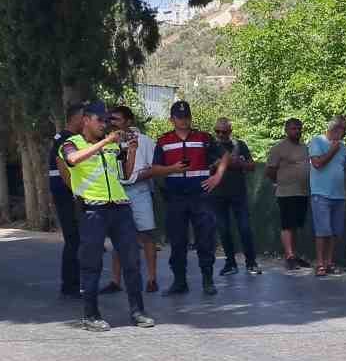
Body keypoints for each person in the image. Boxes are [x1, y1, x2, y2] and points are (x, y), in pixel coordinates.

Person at [61, 102, 151, 331]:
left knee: (132, 260)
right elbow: (72, 160)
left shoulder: (112, 147)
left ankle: (138, 311)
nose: (104, 124)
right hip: (93, 209)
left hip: (120, 207)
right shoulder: (71, 143)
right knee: (92, 263)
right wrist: (105, 142)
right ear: (86, 121)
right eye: (100, 120)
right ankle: (91, 315)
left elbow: (127, 174)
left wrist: (130, 151)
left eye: (106, 120)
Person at [153, 100, 230, 296]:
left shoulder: (204, 138)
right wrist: (172, 169)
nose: (184, 121)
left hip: (201, 197)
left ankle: (207, 280)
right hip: (175, 198)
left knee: (205, 239)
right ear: (172, 120)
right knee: (178, 241)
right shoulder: (163, 141)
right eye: (179, 118)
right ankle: (179, 282)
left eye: (186, 117)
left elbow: (225, 155)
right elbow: (154, 169)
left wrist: (217, 177)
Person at [101, 105, 161, 293]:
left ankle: (152, 279)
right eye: (110, 119)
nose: (112, 122)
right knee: (119, 237)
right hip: (116, 191)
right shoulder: (107, 142)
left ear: (128, 121)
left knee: (147, 235)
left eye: (116, 119)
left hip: (139, 190)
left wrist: (141, 175)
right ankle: (115, 281)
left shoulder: (144, 141)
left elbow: (155, 167)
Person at [210, 117, 261, 277]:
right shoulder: (211, 147)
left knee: (245, 228)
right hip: (218, 194)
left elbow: (252, 165)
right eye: (217, 131)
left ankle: (251, 262)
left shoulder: (240, 145)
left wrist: (240, 164)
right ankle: (230, 263)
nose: (220, 134)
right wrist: (232, 162)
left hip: (238, 193)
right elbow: (211, 165)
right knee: (224, 230)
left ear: (230, 131)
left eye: (223, 131)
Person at [265, 117, 311, 270]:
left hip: (302, 192)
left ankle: (295, 255)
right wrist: (279, 182)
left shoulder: (305, 148)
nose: (297, 131)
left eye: (299, 128)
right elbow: (270, 170)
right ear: (286, 130)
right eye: (293, 128)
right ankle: (289, 256)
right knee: (287, 225)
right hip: (286, 192)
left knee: (297, 225)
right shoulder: (278, 148)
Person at [307, 116, 346, 276]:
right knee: (322, 230)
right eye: (340, 128)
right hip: (321, 194)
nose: (342, 132)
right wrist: (332, 150)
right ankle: (320, 263)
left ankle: (329, 262)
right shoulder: (317, 142)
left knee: (334, 231)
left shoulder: (344, 148)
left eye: (344, 129)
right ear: (332, 128)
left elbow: (343, 171)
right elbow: (317, 164)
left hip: (339, 195)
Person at [49, 103, 85, 298]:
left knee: (75, 240)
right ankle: (70, 285)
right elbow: (62, 172)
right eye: (84, 117)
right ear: (76, 118)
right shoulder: (66, 141)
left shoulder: (63, 138)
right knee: (74, 239)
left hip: (66, 195)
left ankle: (72, 283)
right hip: (67, 196)